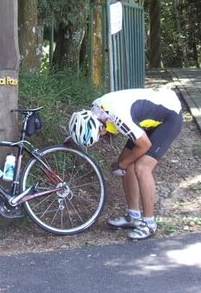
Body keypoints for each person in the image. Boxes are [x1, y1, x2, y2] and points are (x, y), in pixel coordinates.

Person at [69, 87, 183, 240]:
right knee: (127, 162)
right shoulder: (96, 110)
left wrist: (122, 164)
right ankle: (134, 216)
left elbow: (145, 145)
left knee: (142, 167)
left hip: (169, 116)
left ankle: (149, 223)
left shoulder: (118, 117)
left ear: (101, 129)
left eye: (99, 135)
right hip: (146, 118)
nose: (102, 136)